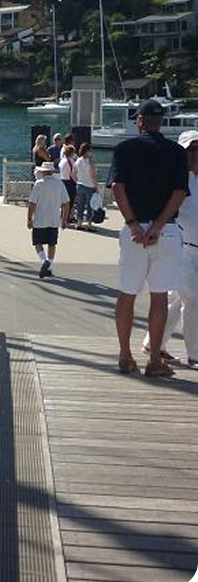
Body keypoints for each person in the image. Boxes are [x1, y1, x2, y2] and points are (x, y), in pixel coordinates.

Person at [107, 99, 190, 377]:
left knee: (127, 294)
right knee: (159, 297)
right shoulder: (177, 152)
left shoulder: (124, 149)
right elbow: (179, 193)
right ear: (161, 121)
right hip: (165, 233)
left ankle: (125, 354)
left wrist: (133, 224)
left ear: (139, 120)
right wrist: (158, 225)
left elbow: (118, 188)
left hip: (134, 232)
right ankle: (154, 359)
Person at [141, 129, 198, 366]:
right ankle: (195, 354)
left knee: (176, 299)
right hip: (180, 246)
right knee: (194, 299)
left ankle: (152, 343)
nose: (195, 153)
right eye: (191, 149)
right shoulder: (174, 177)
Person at [27, 160, 70, 278]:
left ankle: (43, 261)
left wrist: (29, 219)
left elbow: (32, 203)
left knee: (38, 243)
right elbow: (66, 203)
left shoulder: (38, 184)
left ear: (43, 172)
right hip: (54, 219)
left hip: (40, 219)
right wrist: (65, 219)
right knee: (52, 244)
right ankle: (49, 266)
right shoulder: (59, 184)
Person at [73, 142, 98, 230]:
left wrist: (78, 181)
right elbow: (93, 175)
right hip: (90, 186)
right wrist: (96, 186)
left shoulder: (78, 160)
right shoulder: (90, 161)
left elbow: (73, 174)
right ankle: (89, 224)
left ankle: (79, 223)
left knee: (80, 205)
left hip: (80, 185)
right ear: (88, 151)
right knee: (90, 206)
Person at [58, 143, 78, 222]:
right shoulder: (71, 161)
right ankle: (68, 217)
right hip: (70, 182)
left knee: (63, 200)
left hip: (62, 181)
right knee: (70, 201)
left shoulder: (62, 160)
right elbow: (74, 173)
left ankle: (63, 216)